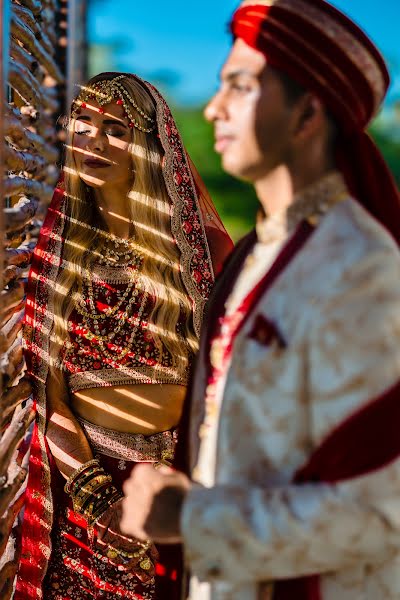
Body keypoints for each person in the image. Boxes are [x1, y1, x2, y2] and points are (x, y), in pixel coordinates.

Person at [119, 2, 400, 599]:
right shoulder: (256, 257)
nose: (214, 108)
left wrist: (189, 519)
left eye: (239, 86)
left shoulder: (360, 270)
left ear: (308, 112)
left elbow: (381, 514)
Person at [15, 72, 232, 600]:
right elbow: (46, 389)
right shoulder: (57, 257)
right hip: (85, 490)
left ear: (150, 144)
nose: (92, 139)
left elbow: (230, 379)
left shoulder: (200, 252)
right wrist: (98, 499)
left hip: (181, 485)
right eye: (82, 123)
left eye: (114, 127)